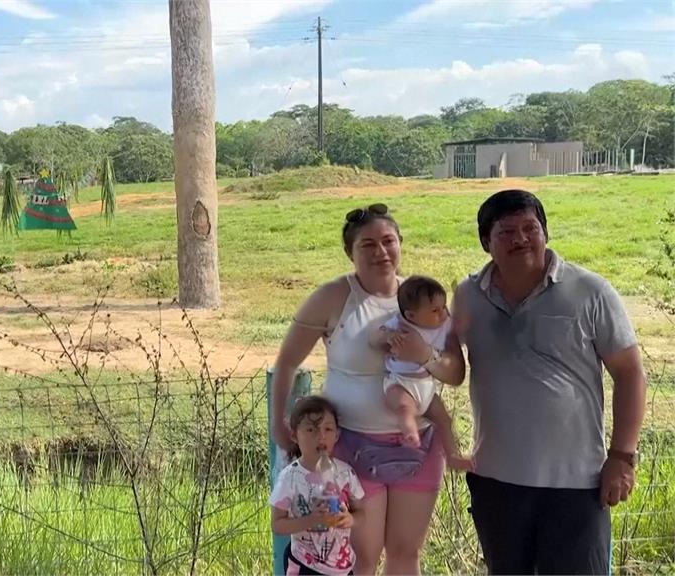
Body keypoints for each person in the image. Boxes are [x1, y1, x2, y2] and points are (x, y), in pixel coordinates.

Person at [453, 189, 647, 575]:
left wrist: (622, 457)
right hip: (496, 481)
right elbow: (444, 364)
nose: (521, 239)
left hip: (577, 483)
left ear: (546, 233)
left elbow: (630, 372)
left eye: (531, 228)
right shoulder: (468, 295)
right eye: (506, 232)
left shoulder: (590, 291)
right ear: (485, 242)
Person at [271, 203, 467, 575]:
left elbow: (455, 373)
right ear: (351, 252)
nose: (381, 252)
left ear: (400, 244)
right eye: (368, 245)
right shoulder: (333, 297)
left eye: (388, 241)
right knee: (362, 555)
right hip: (353, 449)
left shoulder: (426, 299)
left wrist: (423, 354)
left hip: (420, 445)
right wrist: (279, 423)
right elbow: (287, 362)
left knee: (406, 551)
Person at [369, 275, 473, 471]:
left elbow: (460, 328)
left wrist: (464, 319)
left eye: (443, 307)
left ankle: (453, 457)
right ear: (411, 315)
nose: (443, 314)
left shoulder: (443, 324)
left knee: (444, 417)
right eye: (435, 310)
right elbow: (374, 339)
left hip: (426, 386)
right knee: (404, 407)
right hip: (400, 383)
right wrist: (388, 337)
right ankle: (410, 431)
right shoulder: (399, 325)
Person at [270, 395, 365, 575]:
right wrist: (311, 519)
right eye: (311, 429)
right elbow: (277, 525)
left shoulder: (345, 473)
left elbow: (361, 512)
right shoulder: (289, 478)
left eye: (328, 429)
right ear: (294, 435)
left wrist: (351, 519)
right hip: (305, 565)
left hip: (343, 567)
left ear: (337, 435)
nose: (321, 436)